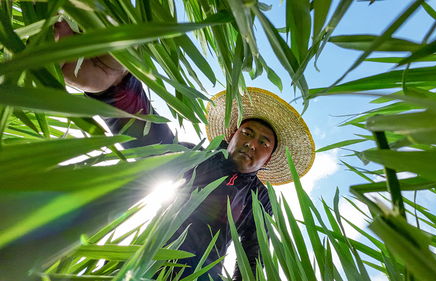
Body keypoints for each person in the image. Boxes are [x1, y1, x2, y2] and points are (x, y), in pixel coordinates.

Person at [55, 21, 315, 281]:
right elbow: (154, 146)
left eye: (264, 142)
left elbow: (253, 254)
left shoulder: (259, 199)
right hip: (149, 266)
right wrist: (116, 87)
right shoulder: (199, 157)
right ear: (231, 136)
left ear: (269, 159)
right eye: (247, 133)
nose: (251, 144)